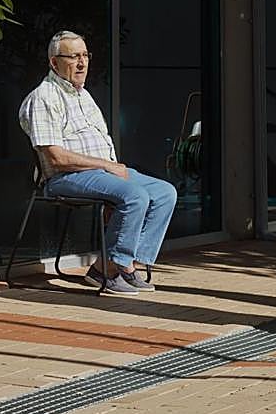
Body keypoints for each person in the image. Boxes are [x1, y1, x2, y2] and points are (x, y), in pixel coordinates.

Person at [19, 30, 177, 297]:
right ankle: (105, 269)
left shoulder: (83, 95)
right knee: (135, 195)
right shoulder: (44, 97)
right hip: (65, 177)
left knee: (164, 193)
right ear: (54, 63)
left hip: (102, 172)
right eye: (73, 56)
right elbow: (55, 158)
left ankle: (126, 266)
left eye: (85, 55)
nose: (82, 63)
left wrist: (111, 179)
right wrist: (108, 171)